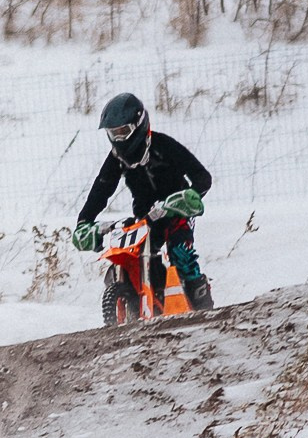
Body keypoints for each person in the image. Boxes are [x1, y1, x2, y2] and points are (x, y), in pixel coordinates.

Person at [73, 92, 215, 311]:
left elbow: (202, 177)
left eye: (123, 132)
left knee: (180, 253)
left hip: (177, 211)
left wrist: (190, 195)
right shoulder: (116, 159)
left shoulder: (163, 145)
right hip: (146, 217)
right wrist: (84, 221)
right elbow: (100, 191)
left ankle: (202, 303)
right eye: (114, 134)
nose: (119, 139)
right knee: (131, 255)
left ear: (138, 125)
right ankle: (141, 298)